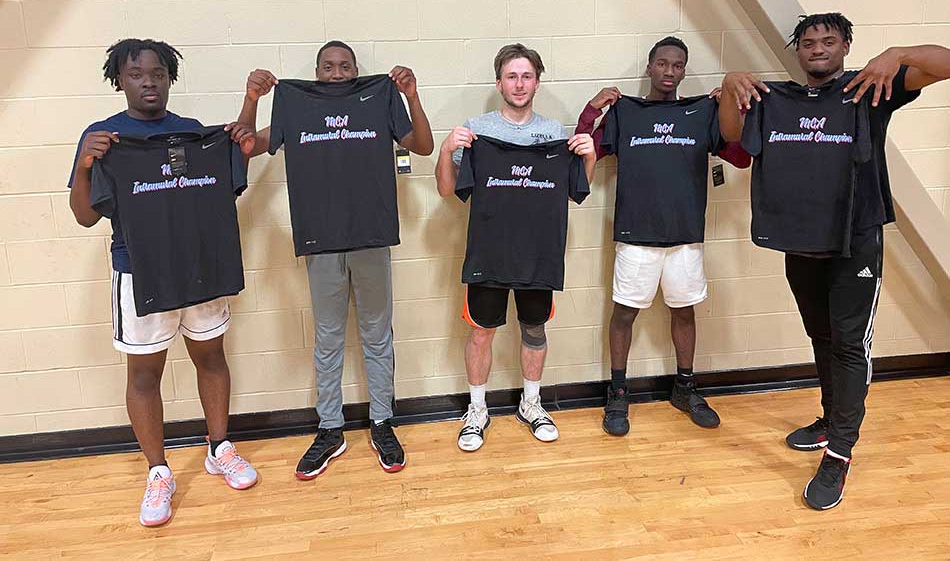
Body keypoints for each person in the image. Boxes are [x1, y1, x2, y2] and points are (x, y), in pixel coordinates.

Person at [718, 13, 950, 510]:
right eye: (808, 42)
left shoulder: (870, 89)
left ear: (846, 46)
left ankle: (841, 453)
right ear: (798, 51)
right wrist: (726, 87)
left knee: (848, 344)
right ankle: (830, 418)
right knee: (821, 336)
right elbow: (731, 135)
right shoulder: (773, 99)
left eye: (828, 40)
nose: (817, 48)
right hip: (799, 242)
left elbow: (946, 64)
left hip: (855, 242)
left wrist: (900, 55)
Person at [68, 38, 259, 527]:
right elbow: (85, 216)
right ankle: (158, 472)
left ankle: (219, 448)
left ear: (170, 78)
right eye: (136, 75)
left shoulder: (193, 134)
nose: (148, 82)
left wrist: (240, 131)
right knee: (144, 374)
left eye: (157, 74)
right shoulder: (102, 137)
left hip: (197, 266)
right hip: (139, 269)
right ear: (120, 80)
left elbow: (227, 184)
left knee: (211, 356)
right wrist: (87, 165)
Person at [237, 40, 434, 478]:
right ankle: (330, 429)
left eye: (345, 65)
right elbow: (246, 145)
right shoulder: (295, 101)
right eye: (329, 66)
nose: (338, 71)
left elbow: (421, 146)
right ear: (317, 71)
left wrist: (412, 96)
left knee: (377, 335)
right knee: (327, 339)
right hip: (320, 239)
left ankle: (383, 422)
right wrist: (251, 100)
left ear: (356, 69)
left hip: (371, 236)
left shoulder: (378, 96)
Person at [576, 36, 752, 436]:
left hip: (685, 235)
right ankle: (618, 391)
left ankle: (684, 387)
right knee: (624, 313)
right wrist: (593, 109)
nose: (669, 71)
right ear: (650, 68)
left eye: (677, 65)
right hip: (636, 234)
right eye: (662, 64)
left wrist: (731, 108)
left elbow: (741, 156)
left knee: (684, 311)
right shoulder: (626, 113)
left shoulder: (702, 112)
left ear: (684, 70)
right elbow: (586, 149)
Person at [434, 43, 597, 451]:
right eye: (512, 76)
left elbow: (576, 191)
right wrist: (446, 150)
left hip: (538, 253)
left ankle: (531, 402)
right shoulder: (477, 130)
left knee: (534, 329)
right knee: (481, 333)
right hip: (488, 252)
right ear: (499, 82)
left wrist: (588, 157)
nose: (519, 84)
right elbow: (446, 189)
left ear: (537, 82)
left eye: (526, 76)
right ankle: (477, 410)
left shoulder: (555, 135)